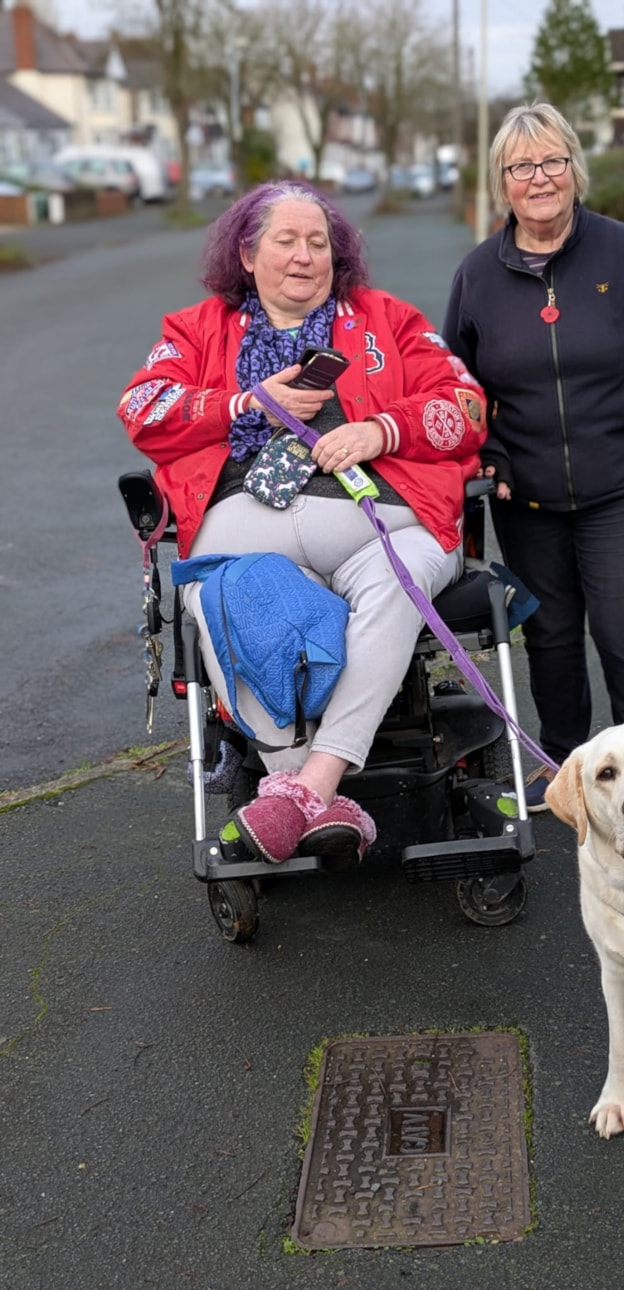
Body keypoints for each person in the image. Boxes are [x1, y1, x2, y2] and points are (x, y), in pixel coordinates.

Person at [119, 179, 486, 864]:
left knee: (400, 575)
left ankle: (304, 785)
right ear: (248, 255)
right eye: (285, 241)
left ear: (336, 256)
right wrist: (242, 403)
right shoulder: (196, 331)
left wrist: (382, 429)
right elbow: (143, 407)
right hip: (245, 522)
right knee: (219, 590)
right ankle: (304, 788)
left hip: (380, 517)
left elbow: (464, 406)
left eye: (318, 242)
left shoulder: (390, 320)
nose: (303, 256)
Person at [443, 103, 624, 813]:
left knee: (623, 630)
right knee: (551, 639)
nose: (540, 177)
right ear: (503, 182)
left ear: (574, 169)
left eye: (553, 161)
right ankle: (565, 771)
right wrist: (488, 453)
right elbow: (457, 390)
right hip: (524, 499)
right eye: (522, 166)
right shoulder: (477, 275)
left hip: (621, 488)